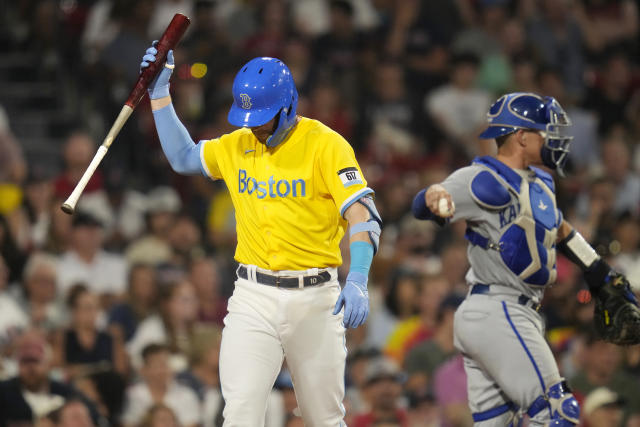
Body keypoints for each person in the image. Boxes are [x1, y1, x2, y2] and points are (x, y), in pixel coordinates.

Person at [139, 40, 381, 426]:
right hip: (253, 294)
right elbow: (184, 157)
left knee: (325, 418)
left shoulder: (326, 145)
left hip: (315, 297)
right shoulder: (238, 145)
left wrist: (358, 278)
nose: (253, 126)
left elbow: (362, 215)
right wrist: (160, 94)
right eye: (247, 118)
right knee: (240, 415)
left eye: (263, 117)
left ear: (289, 105)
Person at [411, 92, 638, 425]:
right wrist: (434, 195)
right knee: (558, 411)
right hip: (498, 309)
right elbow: (426, 201)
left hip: (510, 313)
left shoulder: (541, 182)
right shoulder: (482, 177)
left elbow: (561, 230)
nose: (554, 138)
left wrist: (598, 271)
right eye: (545, 130)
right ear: (521, 136)